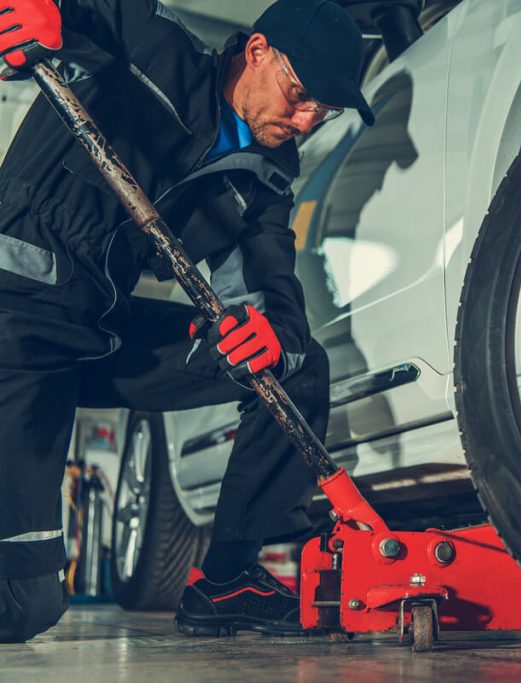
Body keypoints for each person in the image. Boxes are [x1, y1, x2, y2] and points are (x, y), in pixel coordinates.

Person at [0, 0, 375, 642]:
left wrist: (271, 335)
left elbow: (268, 285)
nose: (308, 118)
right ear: (257, 51)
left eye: (325, 109)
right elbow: (96, 12)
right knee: (25, 603)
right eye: (302, 94)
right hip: (17, 315)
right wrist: (46, 13)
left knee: (297, 365)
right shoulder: (158, 50)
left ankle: (228, 579)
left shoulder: (263, 181)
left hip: (99, 329)